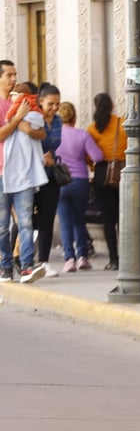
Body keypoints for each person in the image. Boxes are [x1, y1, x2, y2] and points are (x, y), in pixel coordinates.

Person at [2, 81, 48, 284]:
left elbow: (40, 132)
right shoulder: (14, 109)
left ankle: (27, 266)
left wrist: (28, 128)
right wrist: (18, 117)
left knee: (26, 222)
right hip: (2, 174)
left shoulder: (28, 106)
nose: (12, 78)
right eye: (8, 75)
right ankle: (5, 266)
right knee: (2, 225)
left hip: (25, 174)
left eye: (14, 75)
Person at [55, 101, 103, 273]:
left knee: (65, 221)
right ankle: (83, 256)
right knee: (79, 220)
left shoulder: (53, 136)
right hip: (80, 180)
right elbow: (98, 156)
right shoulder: (82, 135)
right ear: (74, 118)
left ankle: (69, 259)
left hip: (60, 182)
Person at [87, 92, 126, 271]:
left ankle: (113, 259)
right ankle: (128, 257)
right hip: (122, 172)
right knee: (124, 217)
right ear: (112, 106)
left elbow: (88, 155)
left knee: (108, 219)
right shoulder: (123, 123)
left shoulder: (93, 129)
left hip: (102, 173)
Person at [34, 83, 63, 277]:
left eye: (57, 104)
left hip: (51, 175)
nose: (54, 108)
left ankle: (43, 262)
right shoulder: (33, 119)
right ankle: (11, 258)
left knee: (47, 218)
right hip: (32, 174)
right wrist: (40, 156)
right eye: (50, 104)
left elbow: (55, 143)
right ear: (40, 102)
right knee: (24, 219)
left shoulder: (59, 120)